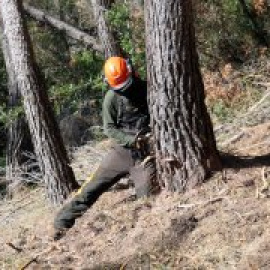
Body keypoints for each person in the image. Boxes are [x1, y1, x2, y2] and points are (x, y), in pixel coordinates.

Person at [53, 56, 158, 240]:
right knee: (92, 187)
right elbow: (109, 128)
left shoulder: (147, 88)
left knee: (147, 197)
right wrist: (129, 140)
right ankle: (61, 222)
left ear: (131, 72)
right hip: (121, 152)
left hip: (144, 155)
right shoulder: (111, 98)